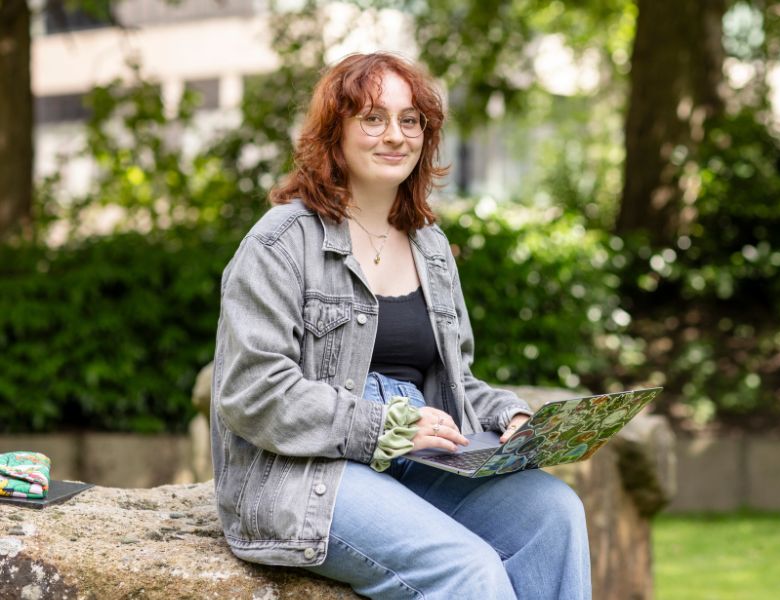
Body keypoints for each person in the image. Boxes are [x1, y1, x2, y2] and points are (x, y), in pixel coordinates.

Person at [209, 52, 591, 599]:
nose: (395, 135)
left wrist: (512, 414)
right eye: (372, 118)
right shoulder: (279, 242)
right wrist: (380, 426)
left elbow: (454, 380)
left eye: (409, 120)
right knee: (469, 569)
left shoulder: (431, 247)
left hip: (418, 459)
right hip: (306, 472)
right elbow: (251, 393)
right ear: (333, 132)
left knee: (554, 512)